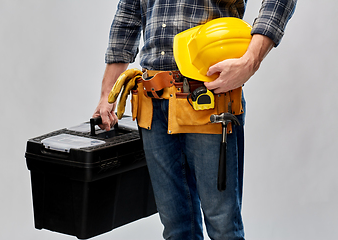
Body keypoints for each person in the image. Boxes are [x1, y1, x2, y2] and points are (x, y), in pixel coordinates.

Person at [93, 0, 296, 239]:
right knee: (177, 229)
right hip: (152, 103)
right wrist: (108, 95)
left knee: (223, 229)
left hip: (210, 101)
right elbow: (128, 12)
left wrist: (252, 58)